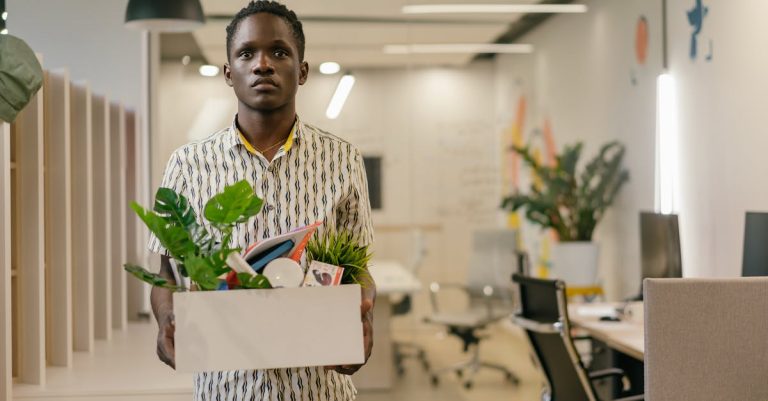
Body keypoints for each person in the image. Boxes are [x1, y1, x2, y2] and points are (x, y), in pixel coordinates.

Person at [147, 1, 375, 400]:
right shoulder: (187, 164)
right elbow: (168, 273)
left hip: (321, 388)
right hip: (226, 388)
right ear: (228, 72)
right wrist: (168, 318)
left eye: (280, 52)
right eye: (247, 53)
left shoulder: (342, 159)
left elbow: (358, 269)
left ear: (302, 71)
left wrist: (364, 312)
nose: (263, 64)